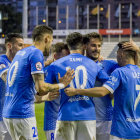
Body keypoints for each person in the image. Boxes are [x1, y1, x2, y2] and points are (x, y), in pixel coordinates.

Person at [2, 25, 74, 140]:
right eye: (51, 41)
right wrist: (62, 84)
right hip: (23, 113)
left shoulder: (22, 53)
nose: (50, 45)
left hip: (8, 113)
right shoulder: (36, 53)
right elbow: (41, 88)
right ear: (47, 38)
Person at [65, 41, 140, 140]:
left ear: (121, 54)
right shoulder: (138, 71)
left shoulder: (119, 72)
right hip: (137, 130)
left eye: (117, 53)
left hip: (121, 130)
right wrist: (137, 51)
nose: (116, 56)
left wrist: (77, 91)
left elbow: (102, 92)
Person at [45, 32, 109, 140]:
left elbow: (42, 88)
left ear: (68, 46)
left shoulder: (56, 64)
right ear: (84, 46)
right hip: (88, 116)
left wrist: (60, 85)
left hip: (66, 115)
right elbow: (110, 85)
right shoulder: (94, 65)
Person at [83, 32, 119, 140]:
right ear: (85, 46)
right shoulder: (80, 65)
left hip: (106, 119)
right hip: (86, 118)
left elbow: (130, 66)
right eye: (93, 45)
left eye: (99, 46)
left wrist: (136, 51)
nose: (97, 49)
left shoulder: (108, 64)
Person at [43, 42, 70, 140]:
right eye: (65, 57)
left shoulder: (70, 71)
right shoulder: (46, 71)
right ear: (55, 56)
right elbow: (34, 94)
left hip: (70, 121)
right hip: (52, 123)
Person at [0, 33, 24, 140]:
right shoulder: (2, 61)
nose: (23, 48)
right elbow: (7, 78)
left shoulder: (18, 64)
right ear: (9, 46)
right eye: (20, 45)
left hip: (13, 115)